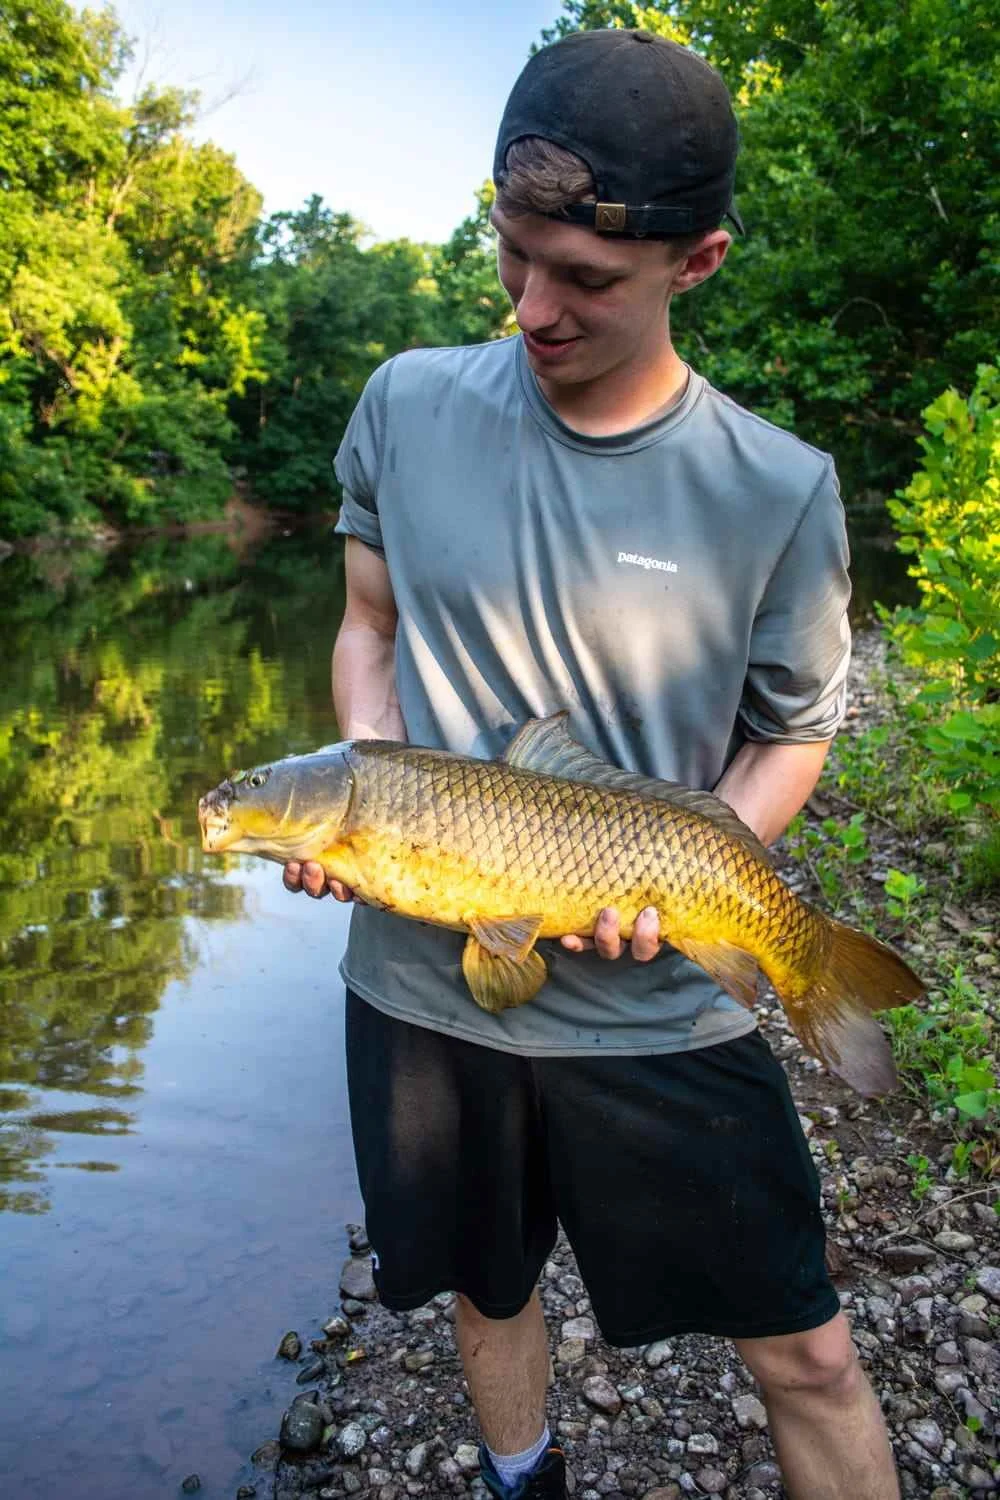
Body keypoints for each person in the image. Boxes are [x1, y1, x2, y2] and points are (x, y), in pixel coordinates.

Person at [283, 27, 900, 1500]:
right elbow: (365, 629)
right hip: (427, 988)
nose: (534, 309)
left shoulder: (779, 486)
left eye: (587, 281)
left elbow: (794, 728)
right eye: (513, 255)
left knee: (805, 1349)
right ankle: (526, 1483)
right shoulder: (407, 403)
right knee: (488, 1292)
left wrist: (697, 867)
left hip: (660, 998)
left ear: (700, 261)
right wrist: (372, 792)